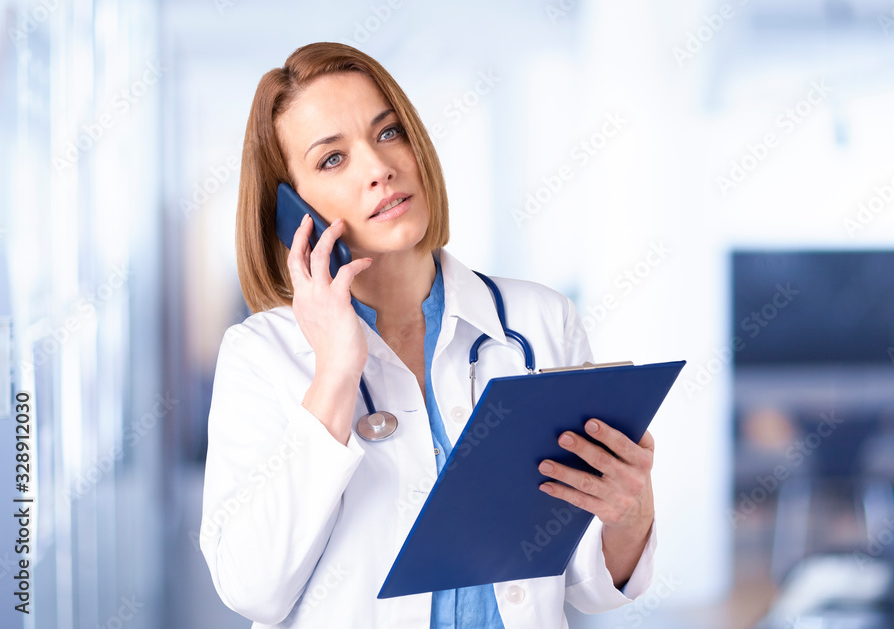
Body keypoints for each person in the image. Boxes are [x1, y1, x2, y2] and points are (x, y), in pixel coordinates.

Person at [199, 42, 658, 629]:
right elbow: (251, 589)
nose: (377, 168)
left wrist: (629, 511)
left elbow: (589, 586)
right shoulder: (260, 355)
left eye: (387, 133)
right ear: (291, 209)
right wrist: (337, 373)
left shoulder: (540, 321)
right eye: (332, 160)